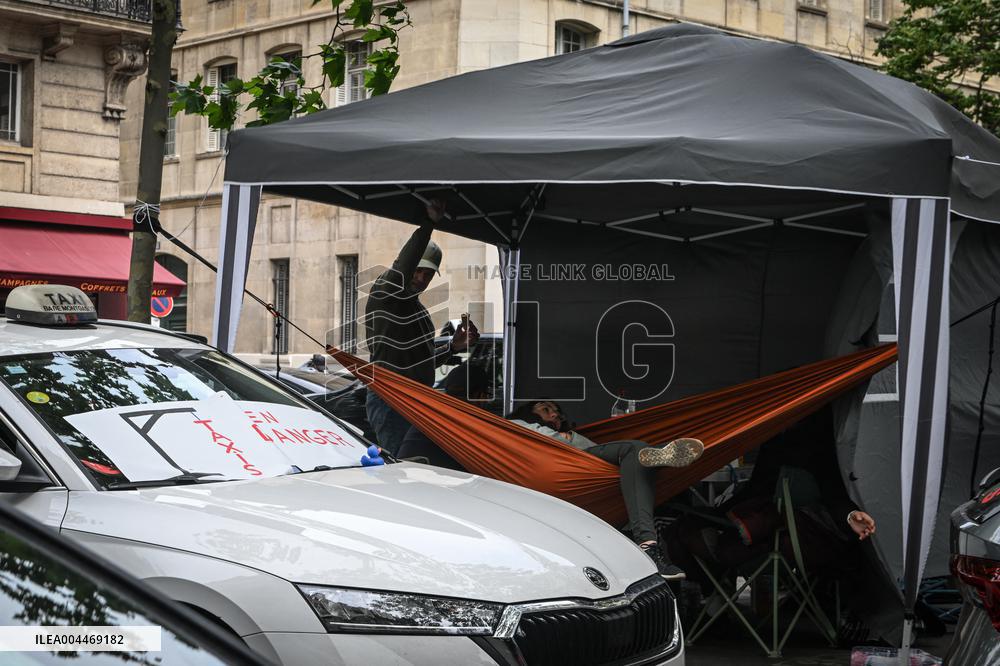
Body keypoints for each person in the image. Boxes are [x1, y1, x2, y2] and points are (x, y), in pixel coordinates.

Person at [509, 399, 704, 580]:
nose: (554, 415)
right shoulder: (514, 425)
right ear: (528, 413)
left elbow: (595, 449)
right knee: (635, 449)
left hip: (586, 466)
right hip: (561, 467)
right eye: (546, 409)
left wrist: (569, 437)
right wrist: (567, 437)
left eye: (558, 414)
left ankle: (649, 542)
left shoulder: (571, 437)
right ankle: (658, 459)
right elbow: (559, 442)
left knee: (637, 454)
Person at [363, 200, 478, 454]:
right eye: (419, 271)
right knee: (404, 468)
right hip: (392, 400)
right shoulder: (386, 293)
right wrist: (428, 224)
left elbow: (418, 363)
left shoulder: (418, 310)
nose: (422, 278)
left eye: (428, 274)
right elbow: (401, 269)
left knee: (416, 468)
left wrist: (452, 347)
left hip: (416, 400)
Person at [396, 362, 494, 470]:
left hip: (407, 478)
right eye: (486, 396)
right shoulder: (467, 424)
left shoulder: (431, 415)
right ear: (478, 396)